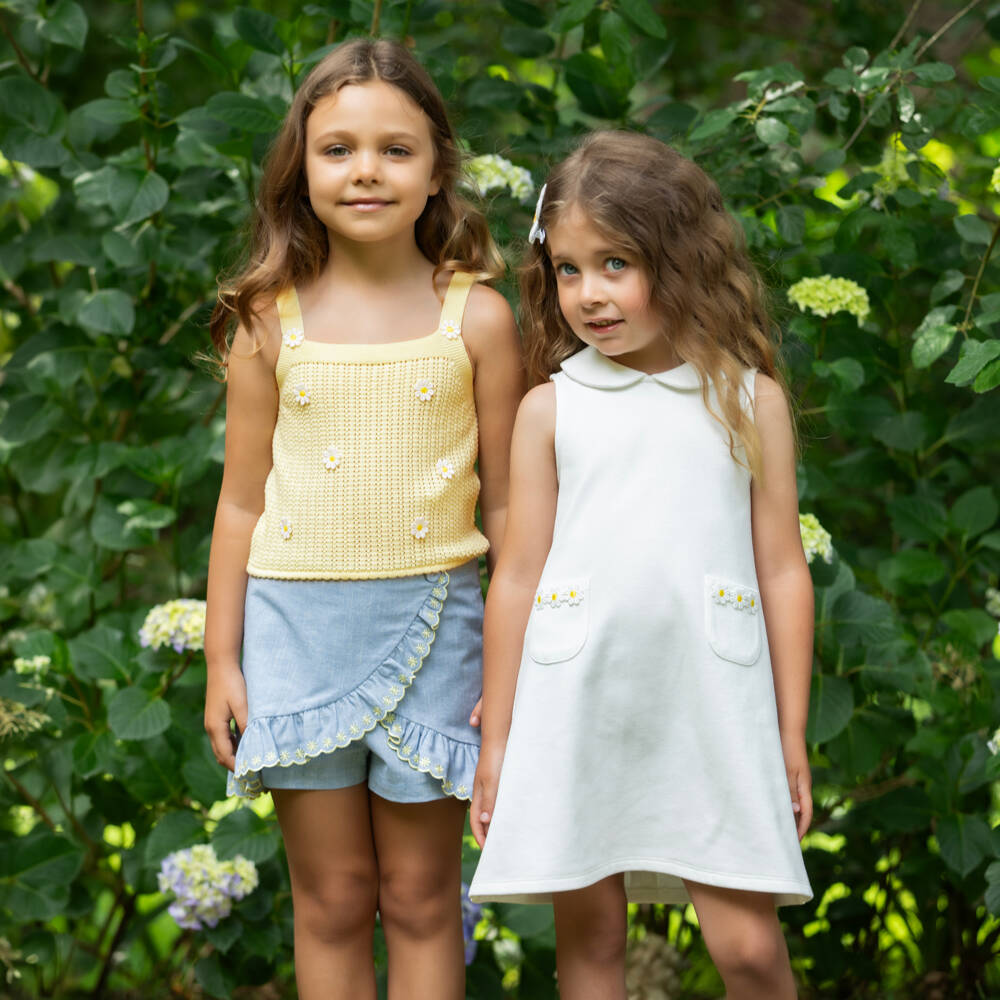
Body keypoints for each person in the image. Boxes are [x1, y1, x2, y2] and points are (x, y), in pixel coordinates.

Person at [203, 38, 522, 1000]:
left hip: (439, 628)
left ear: (436, 174)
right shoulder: (268, 318)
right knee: (334, 898)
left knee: (424, 895)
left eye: (396, 149)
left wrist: (515, 669)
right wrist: (224, 656)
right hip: (295, 631)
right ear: (301, 170)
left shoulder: (478, 320)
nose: (367, 171)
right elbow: (241, 500)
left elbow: (511, 506)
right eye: (338, 148)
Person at [469, 130, 814, 1000]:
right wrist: (500, 737)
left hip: (712, 700)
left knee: (746, 949)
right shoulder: (551, 410)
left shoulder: (749, 402)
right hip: (579, 697)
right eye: (569, 269)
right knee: (590, 942)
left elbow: (781, 570)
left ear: (682, 259)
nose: (590, 295)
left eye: (616, 263)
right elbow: (517, 575)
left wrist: (790, 730)